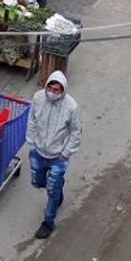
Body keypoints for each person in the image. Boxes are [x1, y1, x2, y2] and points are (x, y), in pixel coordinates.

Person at [27, 71, 82, 240]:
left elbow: (76, 132)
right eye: (50, 87)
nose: (52, 92)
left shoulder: (71, 107)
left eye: (56, 90)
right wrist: (31, 141)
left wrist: (65, 153)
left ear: (62, 90)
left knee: (52, 191)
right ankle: (58, 187)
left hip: (57, 157)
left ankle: (48, 222)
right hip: (38, 152)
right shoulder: (38, 98)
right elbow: (32, 120)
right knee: (38, 182)